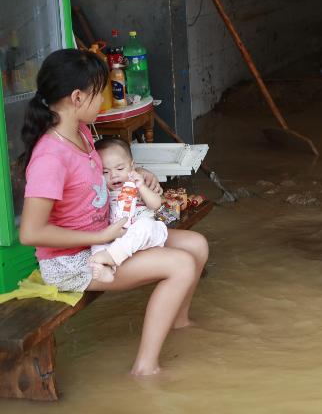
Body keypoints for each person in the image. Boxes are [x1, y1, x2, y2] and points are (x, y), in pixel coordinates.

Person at [18, 49, 209, 376]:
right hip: (72, 261)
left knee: (196, 245)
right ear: (77, 97)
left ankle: (179, 322)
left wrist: (140, 173)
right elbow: (31, 233)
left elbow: (100, 178)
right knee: (181, 264)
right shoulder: (50, 157)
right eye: (99, 94)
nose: (103, 103)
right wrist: (99, 236)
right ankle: (145, 368)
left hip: (104, 239)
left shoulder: (80, 133)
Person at [88, 138, 167, 283]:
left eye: (119, 169)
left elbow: (156, 204)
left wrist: (142, 187)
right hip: (118, 237)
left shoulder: (138, 184)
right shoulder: (103, 191)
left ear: (132, 167)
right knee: (97, 238)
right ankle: (104, 268)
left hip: (146, 235)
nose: (114, 175)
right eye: (105, 172)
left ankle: (112, 257)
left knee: (145, 226)